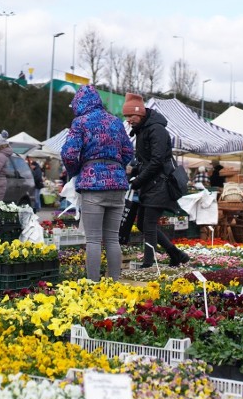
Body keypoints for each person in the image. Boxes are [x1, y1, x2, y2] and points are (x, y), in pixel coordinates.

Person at [61, 85, 134, 281]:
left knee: (93, 240)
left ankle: (93, 287)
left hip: (93, 184)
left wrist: (76, 171)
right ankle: (115, 283)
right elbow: (128, 152)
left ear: (79, 103)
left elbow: (69, 154)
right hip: (118, 185)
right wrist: (116, 168)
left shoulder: (80, 122)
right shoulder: (116, 122)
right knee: (112, 238)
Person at [123, 93, 190, 269]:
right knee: (143, 224)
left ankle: (148, 263)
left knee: (148, 224)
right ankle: (176, 253)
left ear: (140, 112)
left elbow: (157, 161)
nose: (128, 120)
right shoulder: (143, 129)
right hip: (152, 184)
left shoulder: (156, 129)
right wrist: (135, 170)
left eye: (131, 116)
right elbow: (147, 160)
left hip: (160, 183)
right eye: (127, 117)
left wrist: (137, 181)